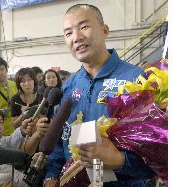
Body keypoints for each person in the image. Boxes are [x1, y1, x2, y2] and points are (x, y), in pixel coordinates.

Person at [44, 4, 156, 187]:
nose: (76, 37)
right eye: (68, 33)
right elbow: (59, 143)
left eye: (84, 27)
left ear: (105, 30)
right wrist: (51, 175)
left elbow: (158, 155)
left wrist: (119, 161)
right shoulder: (69, 87)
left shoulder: (136, 80)